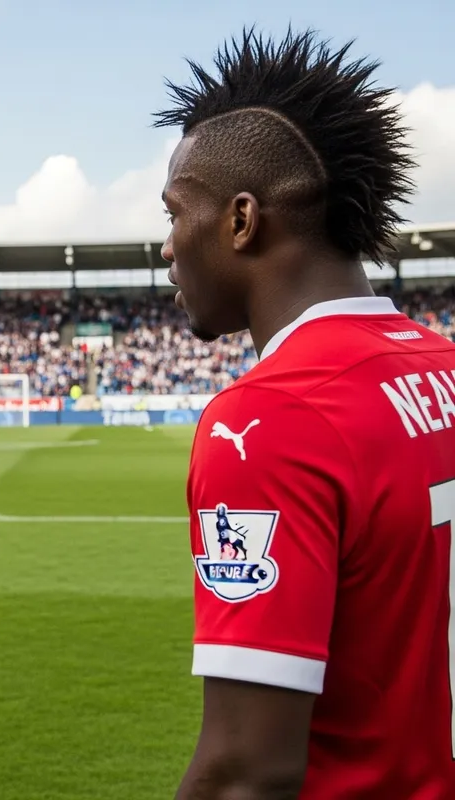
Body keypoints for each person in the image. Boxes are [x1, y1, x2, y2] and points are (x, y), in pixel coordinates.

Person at [155, 28, 455, 799]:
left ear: (241, 221)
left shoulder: (267, 422)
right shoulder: (444, 365)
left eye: (173, 213)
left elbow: (247, 773)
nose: (166, 247)